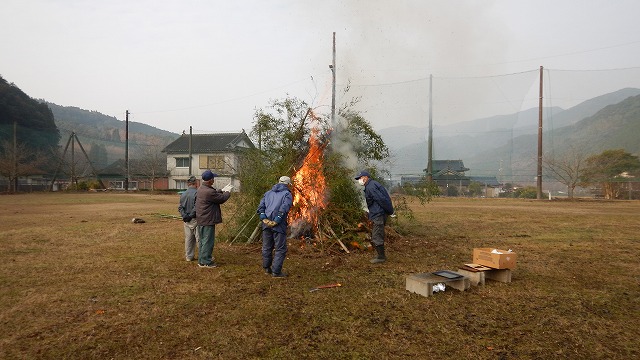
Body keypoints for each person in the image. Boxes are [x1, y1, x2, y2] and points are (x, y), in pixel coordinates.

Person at [257, 175, 293, 278]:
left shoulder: (268, 193)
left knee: (267, 247)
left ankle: (267, 268)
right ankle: (276, 272)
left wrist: (264, 218)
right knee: (280, 248)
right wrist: (277, 220)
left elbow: (261, 207)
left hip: (266, 224)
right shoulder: (287, 194)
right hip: (279, 225)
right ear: (287, 184)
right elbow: (284, 208)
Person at [354, 170, 394, 263]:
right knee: (378, 234)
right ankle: (381, 256)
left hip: (378, 214)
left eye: (360, 178)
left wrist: (389, 211)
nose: (359, 180)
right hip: (378, 213)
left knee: (376, 235)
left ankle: (381, 257)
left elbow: (381, 199)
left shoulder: (371, 186)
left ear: (365, 177)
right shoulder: (372, 185)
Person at [195, 170, 231, 268]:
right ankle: (207, 262)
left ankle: (202, 260)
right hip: (208, 219)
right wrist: (227, 192)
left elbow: (214, 194)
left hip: (201, 219)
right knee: (208, 241)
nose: (214, 180)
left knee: (203, 241)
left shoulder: (201, 189)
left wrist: (221, 190)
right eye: (213, 178)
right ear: (210, 180)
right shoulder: (209, 191)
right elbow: (221, 199)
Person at [178, 175, 199, 262]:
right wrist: (190, 215)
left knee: (188, 239)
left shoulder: (183, 194)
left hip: (186, 220)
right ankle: (203, 256)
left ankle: (189, 256)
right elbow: (196, 206)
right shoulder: (197, 193)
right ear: (195, 183)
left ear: (188, 184)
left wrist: (184, 216)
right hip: (195, 219)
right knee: (199, 239)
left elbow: (180, 207)